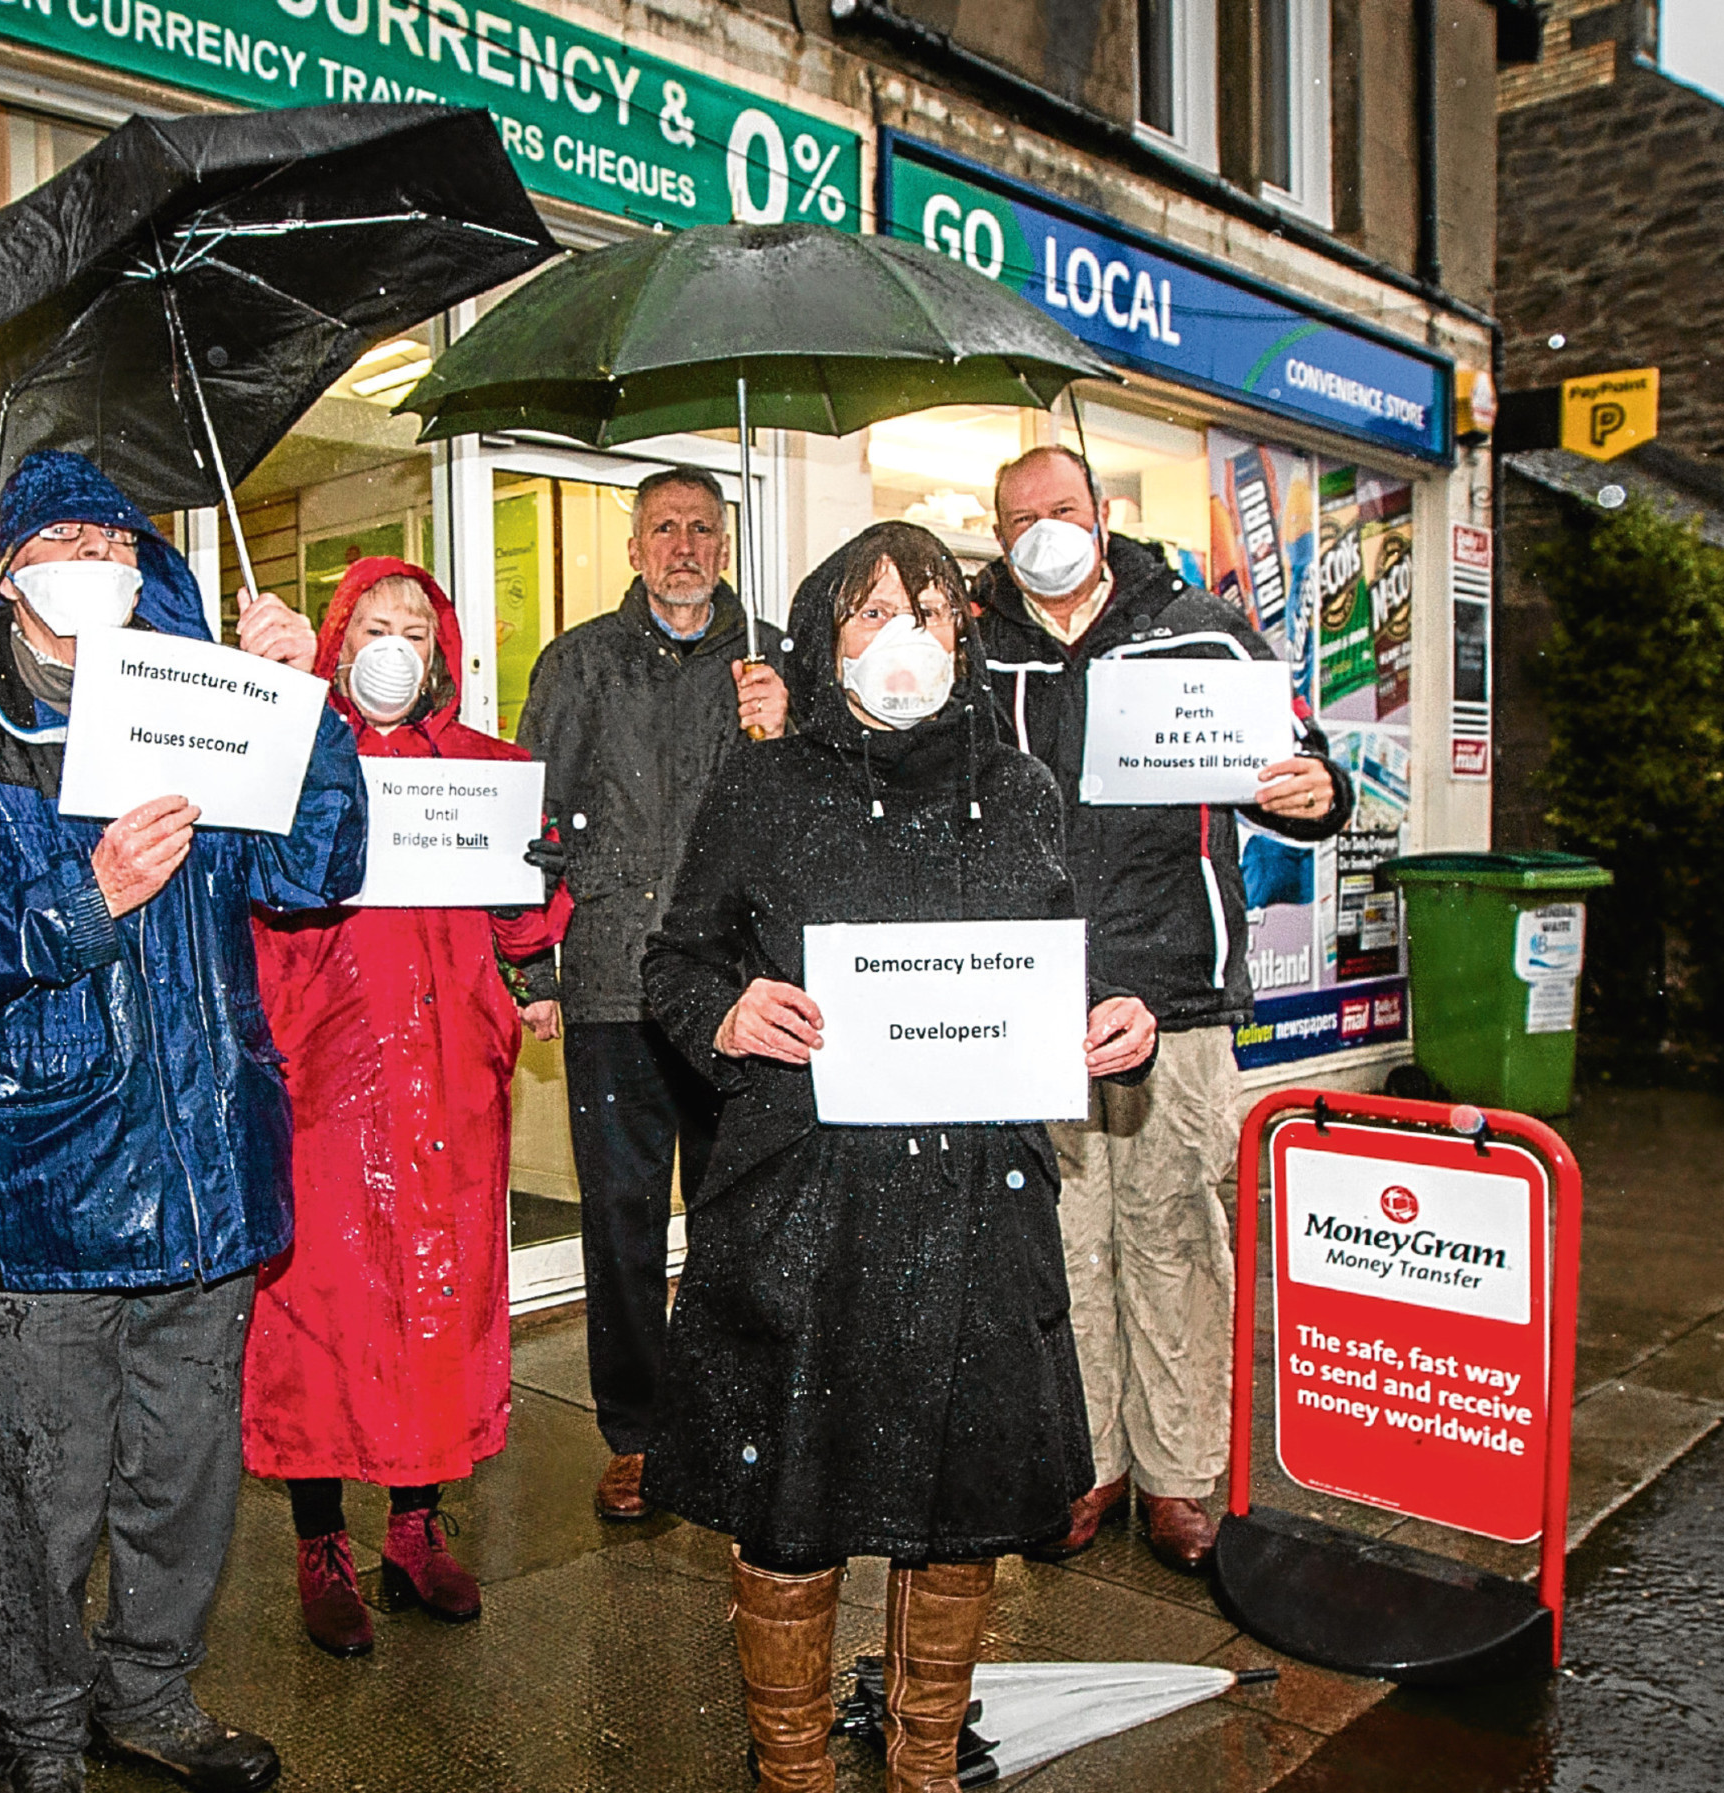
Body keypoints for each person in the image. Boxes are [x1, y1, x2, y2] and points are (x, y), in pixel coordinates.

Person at [0, 450, 360, 1793]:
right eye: (63, 533)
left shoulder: (212, 701)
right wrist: (79, 901)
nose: (96, 556)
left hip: (207, 1165)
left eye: (117, 536)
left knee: (184, 1475)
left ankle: (149, 1691)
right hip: (44, 1186)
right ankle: (33, 1733)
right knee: (44, 1488)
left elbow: (319, 874)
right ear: (11, 565)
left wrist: (301, 705)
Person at [642, 521, 1160, 1793]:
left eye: (929, 609)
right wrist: (722, 1011)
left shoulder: (1025, 787)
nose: (903, 638)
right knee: (794, 1497)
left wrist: (1120, 1022)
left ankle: (929, 1759)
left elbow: (1067, 970)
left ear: (962, 635)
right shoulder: (762, 785)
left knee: (963, 1493)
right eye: (870, 613)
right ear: (825, 639)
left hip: (980, 1203)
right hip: (805, 1201)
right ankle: (796, 1768)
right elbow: (674, 961)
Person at [968, 445, 1352, 1571]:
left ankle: (1182, 1476)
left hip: (1176, 990)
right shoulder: (975, 645)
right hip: (1034, 995)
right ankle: (1088, 1464)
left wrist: (1316, 789)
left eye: (1063, 509)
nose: (1044, 530)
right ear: (999, 534)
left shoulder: (1199, 624)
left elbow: (1300, 763)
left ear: (1104, 513)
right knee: (1065, 1246)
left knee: (1176, 1235)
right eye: (1020, 517)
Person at [241, 558, 572, 1656]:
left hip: (451, 1084)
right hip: (323, 1077)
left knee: (437, 1302)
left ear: (443, 655)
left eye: (416, 631)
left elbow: (525, 938)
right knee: (320, 1315)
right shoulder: (292, 757)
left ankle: (419, 1525)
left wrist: (541, 878)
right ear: (337, 640)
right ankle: (320, 1540)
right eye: (373, 625)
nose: (394, 646)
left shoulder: (485, 769)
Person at [514, 467, 789, 1522]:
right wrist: (533, 968)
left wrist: (792, 721)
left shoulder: (771, 667)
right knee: (621, 1224)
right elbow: (534, 821)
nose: (683, 545)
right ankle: (634, 1432)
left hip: (737, 995)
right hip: (614, 992)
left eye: (702, 529)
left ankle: (724, 1416)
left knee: (737, 1219)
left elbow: (818, 816)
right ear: (632, 546)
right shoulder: (579, 665)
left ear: (724, 545)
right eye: (663, 528)